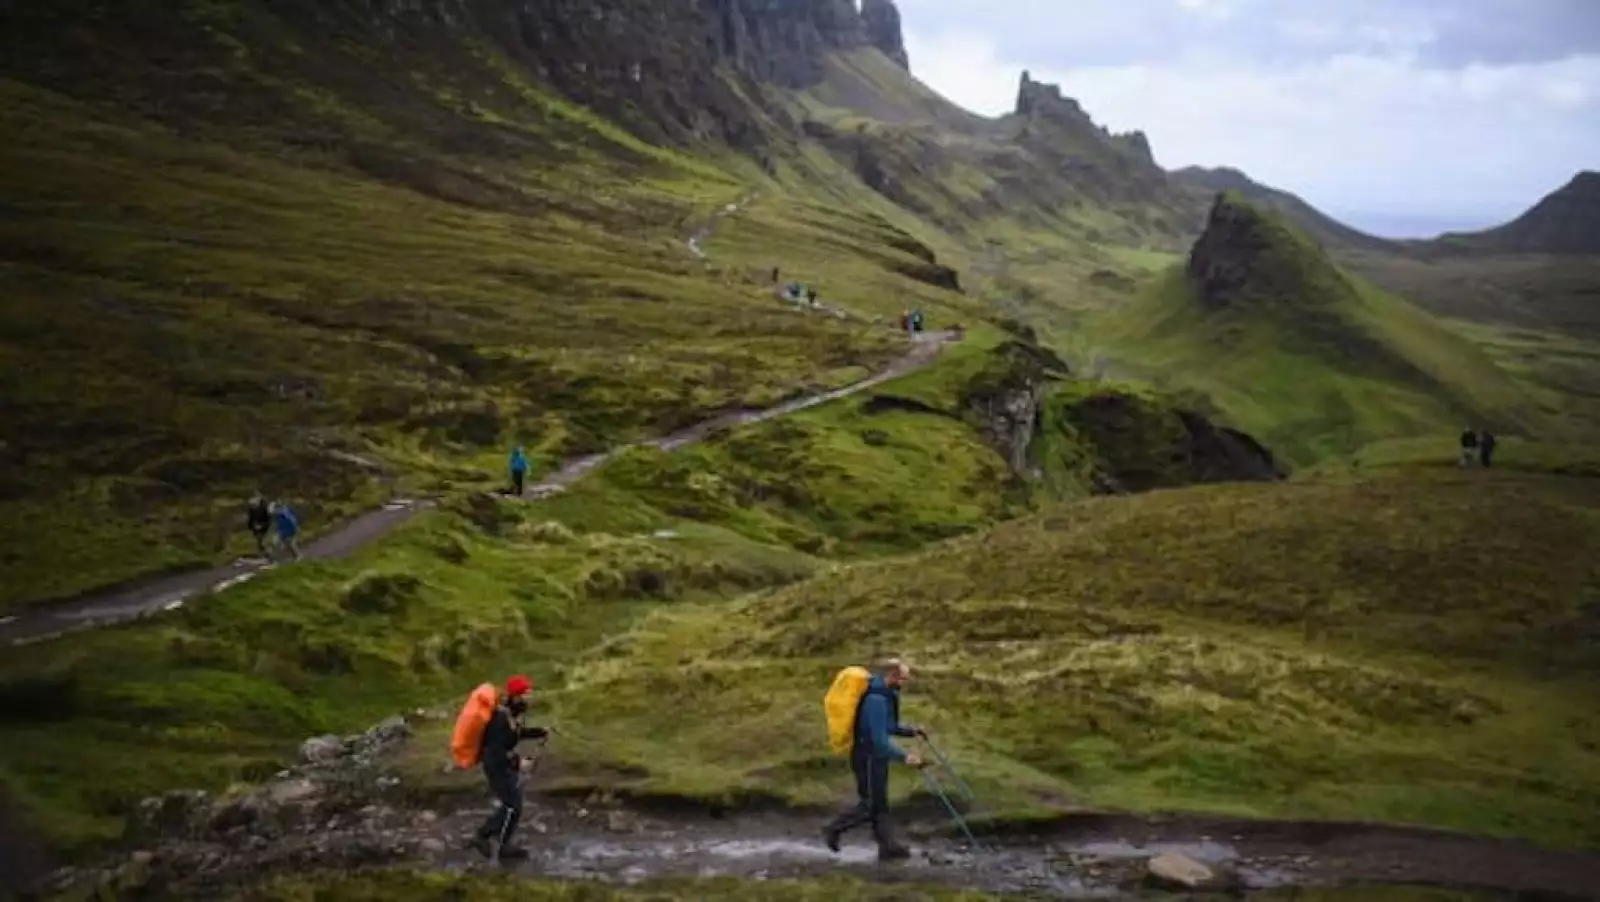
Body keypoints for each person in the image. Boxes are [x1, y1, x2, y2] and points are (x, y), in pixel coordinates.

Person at [822, 659, 925, 861]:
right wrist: (905, 757)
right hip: (866, 756)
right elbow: (879, 741)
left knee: (880, 804)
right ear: (891, 676)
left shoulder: (886, 695)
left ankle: (888, 847)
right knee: (870, 804)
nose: (905, 682)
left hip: (875, 757)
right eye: (903, 678)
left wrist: (911, 732)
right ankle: (833, 829)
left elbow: (889, 727)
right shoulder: (875, 701)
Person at [471, 675, 549, 862]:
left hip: (502, 765)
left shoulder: (511, 713)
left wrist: (539, 732)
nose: (530, 696)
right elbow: (497, 749)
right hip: (496, 766)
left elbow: (515, 734)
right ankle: (492, 840)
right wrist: (518, 763)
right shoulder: (500, 718)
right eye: (526, 693)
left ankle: (490, 837)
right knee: (512, 806)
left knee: (512, 805)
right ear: (516, 695)